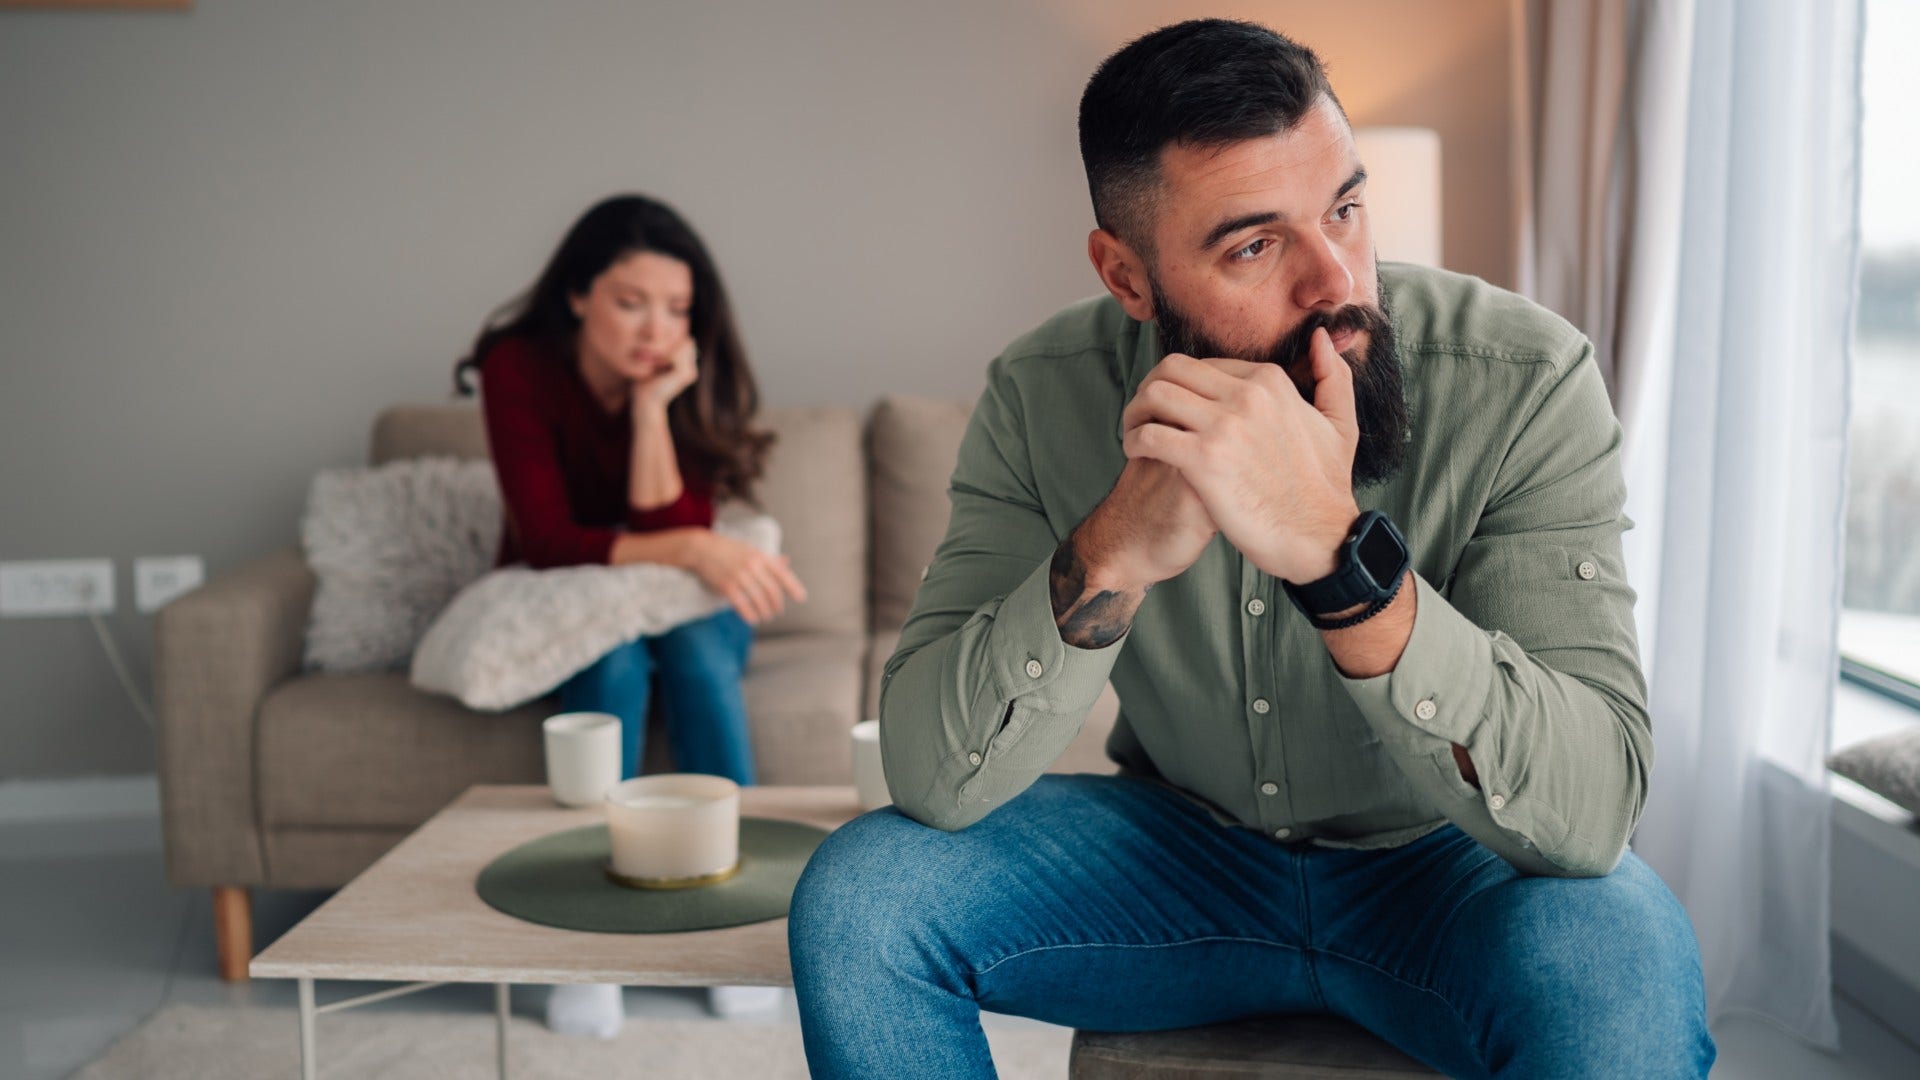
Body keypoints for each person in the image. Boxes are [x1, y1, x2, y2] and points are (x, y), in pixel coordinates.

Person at [787, 19, 1713, 1079]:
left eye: (1346, 210)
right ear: (1128, 279)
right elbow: (931, 778)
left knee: (1627, 957)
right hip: (1176, 861)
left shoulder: (1525, 379)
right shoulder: (1040, 391)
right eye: (1256, 245)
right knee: (862, 898)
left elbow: (1591, 814)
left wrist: (1337, 558)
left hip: (1447, 871)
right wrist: (1114, 553)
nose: (1336, 281)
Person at [455, 193, 806, 1035]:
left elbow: (662, 524)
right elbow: (545, 538)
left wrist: (654, 408)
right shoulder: (517, 366)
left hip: (683, 595)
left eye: (677, 309)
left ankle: (740, 921)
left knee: (690, 650)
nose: (657, 329)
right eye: (630, 302)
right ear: (578, 294)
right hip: (580, 587)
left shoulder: (689, 372)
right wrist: (692, 549)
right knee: (614, 662)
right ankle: (585, 938)